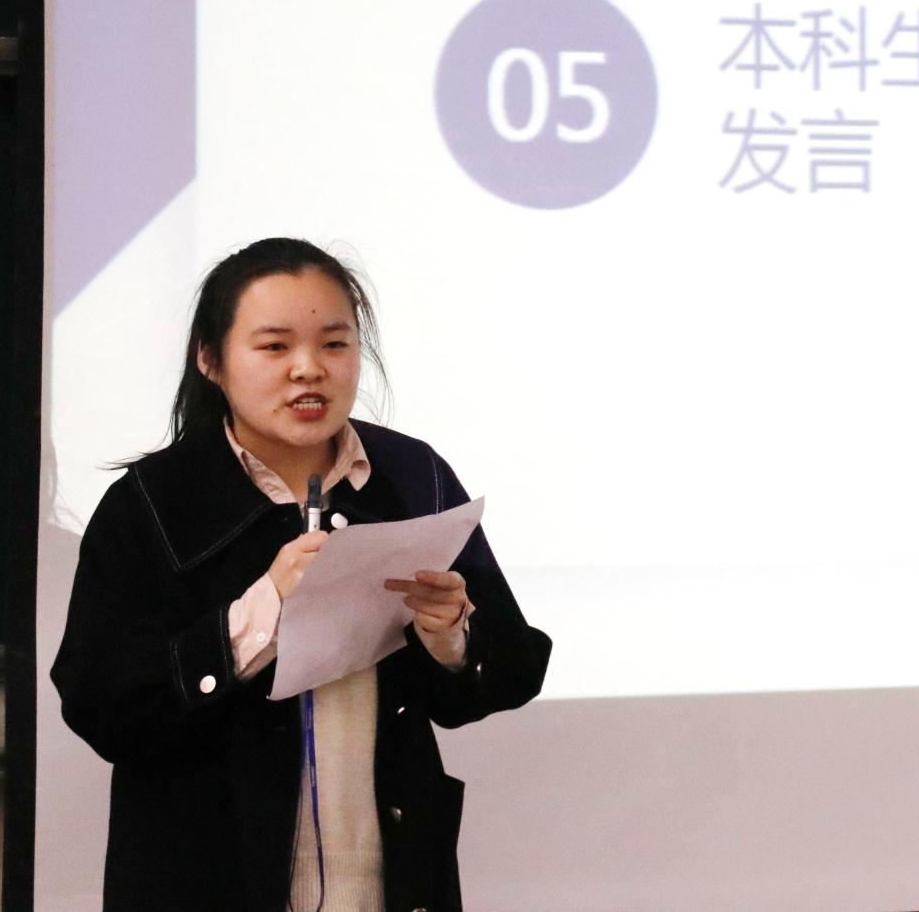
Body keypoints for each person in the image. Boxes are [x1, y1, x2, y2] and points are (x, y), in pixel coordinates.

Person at [52, 238, 551, 912]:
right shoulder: (151, 503)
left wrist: (452, 636)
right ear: (210, 359)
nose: (309, 369)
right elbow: (101, 706)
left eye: (335, 344)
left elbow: (511, 673)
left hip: (390, 882)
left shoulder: (413, 476)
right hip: (208, 882)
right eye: (274, 346)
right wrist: (261, 610)